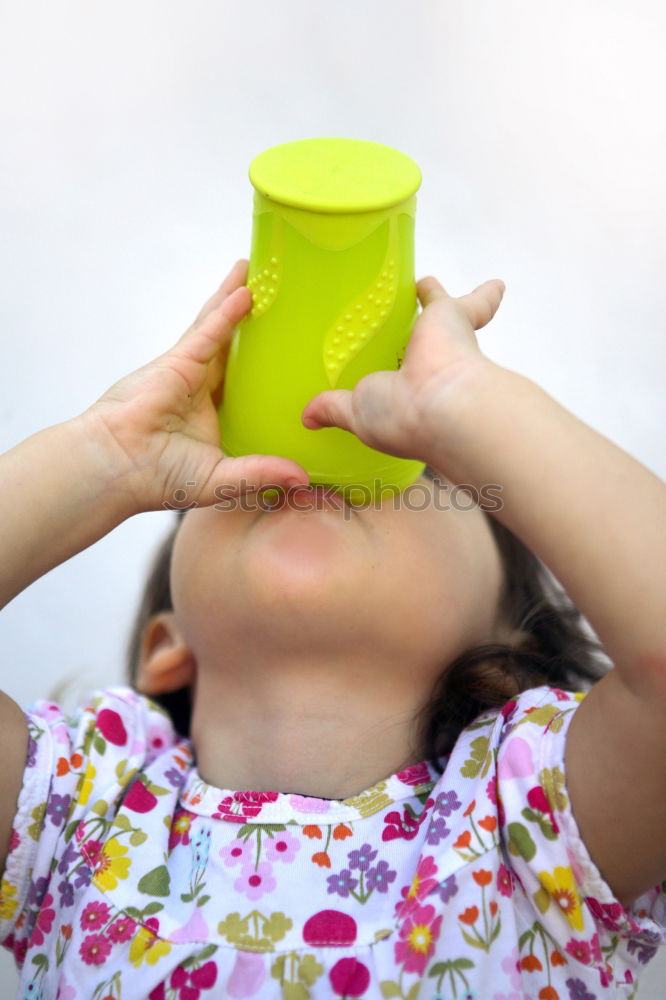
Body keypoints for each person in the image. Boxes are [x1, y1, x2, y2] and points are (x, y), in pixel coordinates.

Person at [0, 258, 663, 998]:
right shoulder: (85, 808)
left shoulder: (529, 824)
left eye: (416, 468)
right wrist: (105, 455)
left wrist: (463, 400)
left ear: (509, 656)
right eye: (246, 466)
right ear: (168, 645)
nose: (320, 460)